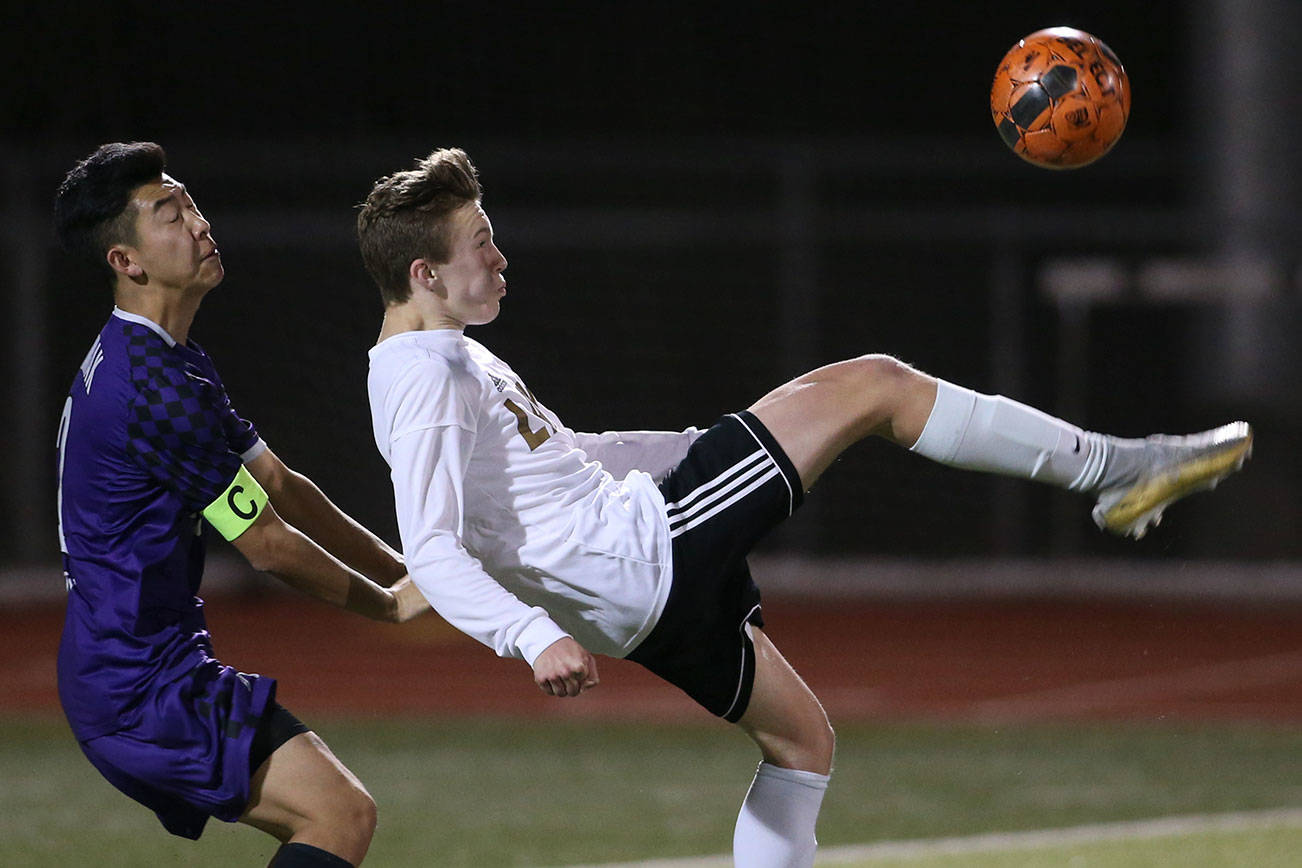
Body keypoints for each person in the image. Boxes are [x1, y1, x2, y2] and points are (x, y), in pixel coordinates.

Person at [357, 147, 1253, 868]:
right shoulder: (424, 375)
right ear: (428, 271)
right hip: (642, 552)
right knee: (877, 386)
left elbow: (560, 462)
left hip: (630, 587)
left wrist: (690, 449)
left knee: (802, 746)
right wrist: (529, 634)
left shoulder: (450, 356)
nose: (500, 255)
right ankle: (1113, 469)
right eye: (482, 241)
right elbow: (430, 546)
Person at [53, 142, 429, 868]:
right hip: (138, 687)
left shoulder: (171, 359)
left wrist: (407, 569)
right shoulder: (150, 389)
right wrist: (390, 608)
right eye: (169, 214)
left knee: (338, 814)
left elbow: (279, 483)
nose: (198, 222)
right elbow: (266, 542)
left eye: (190, 201)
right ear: (126, 261)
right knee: (339, 815)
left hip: (143, 670)